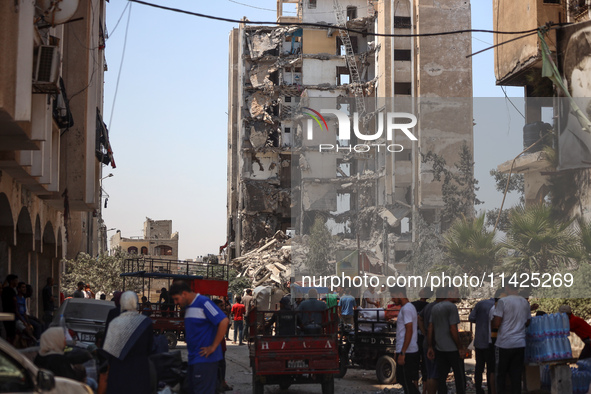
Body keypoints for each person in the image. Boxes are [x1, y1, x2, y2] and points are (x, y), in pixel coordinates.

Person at [170, 280, 229, 394]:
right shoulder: (188, 307)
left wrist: (213, 347)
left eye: (176, 299)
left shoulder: (204, 302)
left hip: (205, 360)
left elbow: (223, 321)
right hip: (194, 359)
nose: (176, 302)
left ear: (184, 294)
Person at [103, 291, 154, 394]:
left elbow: (107, 349)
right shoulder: (145, 323)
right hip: (140, 371)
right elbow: (150, 348)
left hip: (118, 372)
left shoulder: (114, 323)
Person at [492, 284, 531, 394]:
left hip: (504, 343)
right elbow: (528, 321)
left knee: (501, 375)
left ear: (507, 288)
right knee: (516, 375)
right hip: (520, 343)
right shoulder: (525, 302)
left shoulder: (502, 301)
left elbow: (496, 323)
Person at [427, 286, 465, 394]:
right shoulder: (452, 308)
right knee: (459, 377)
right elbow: (453, 329)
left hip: (440, 349)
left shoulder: (435, 308)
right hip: (452, 350)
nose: (458, 294)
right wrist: (460, 347)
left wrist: (430, 346)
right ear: (449, 293)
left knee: (441, 378)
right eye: (456, 292)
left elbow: (430, 327)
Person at [391, 286, 420, 394]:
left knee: (404, 380)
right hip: (407, 350)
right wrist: (398, 351)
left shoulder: (407, 309)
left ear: (399, 294)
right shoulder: (409, 307)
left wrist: (402, 352)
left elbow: (409, 330)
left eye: (393, 297)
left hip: (407, 351)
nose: (392, 300)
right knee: (404, 379)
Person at [469, 295, 495, 394]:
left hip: (479, 341)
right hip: (490, 342)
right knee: (490, 368)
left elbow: (471, 317)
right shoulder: (498, 306)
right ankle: (491, 389)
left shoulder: (480, 304)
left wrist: (480, 321)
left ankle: (478, 389)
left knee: (479, 367)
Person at [418, 291, 442, 394]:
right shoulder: (439, 308)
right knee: (434, 374)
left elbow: (419, 318)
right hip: (435, 343)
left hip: (427, 341)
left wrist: (424, 333)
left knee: (429, 373)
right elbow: (432, 326)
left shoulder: (428, 307)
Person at [411, 287, 433, 393]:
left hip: (415, 339)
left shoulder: (413, 305)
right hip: (424, 339)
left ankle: (415, 388)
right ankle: (424, 390)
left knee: (415, 364)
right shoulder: (429, 307)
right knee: (425, 365)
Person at [213, 299, 233, 392]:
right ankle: (221, 383)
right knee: (220, 365)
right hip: (218, 345)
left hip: (219, 344)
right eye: (221, 305)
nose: (223, 307)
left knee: (219, 365)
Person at [2, 274, 18, 343]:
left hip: (5, 313)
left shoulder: (5, 290)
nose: (17, 282)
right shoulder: (11, 291)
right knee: (11, 335)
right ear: (11, 281)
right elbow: (14, 303)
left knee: (8, 333)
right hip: (10, 314)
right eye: (16, 281)